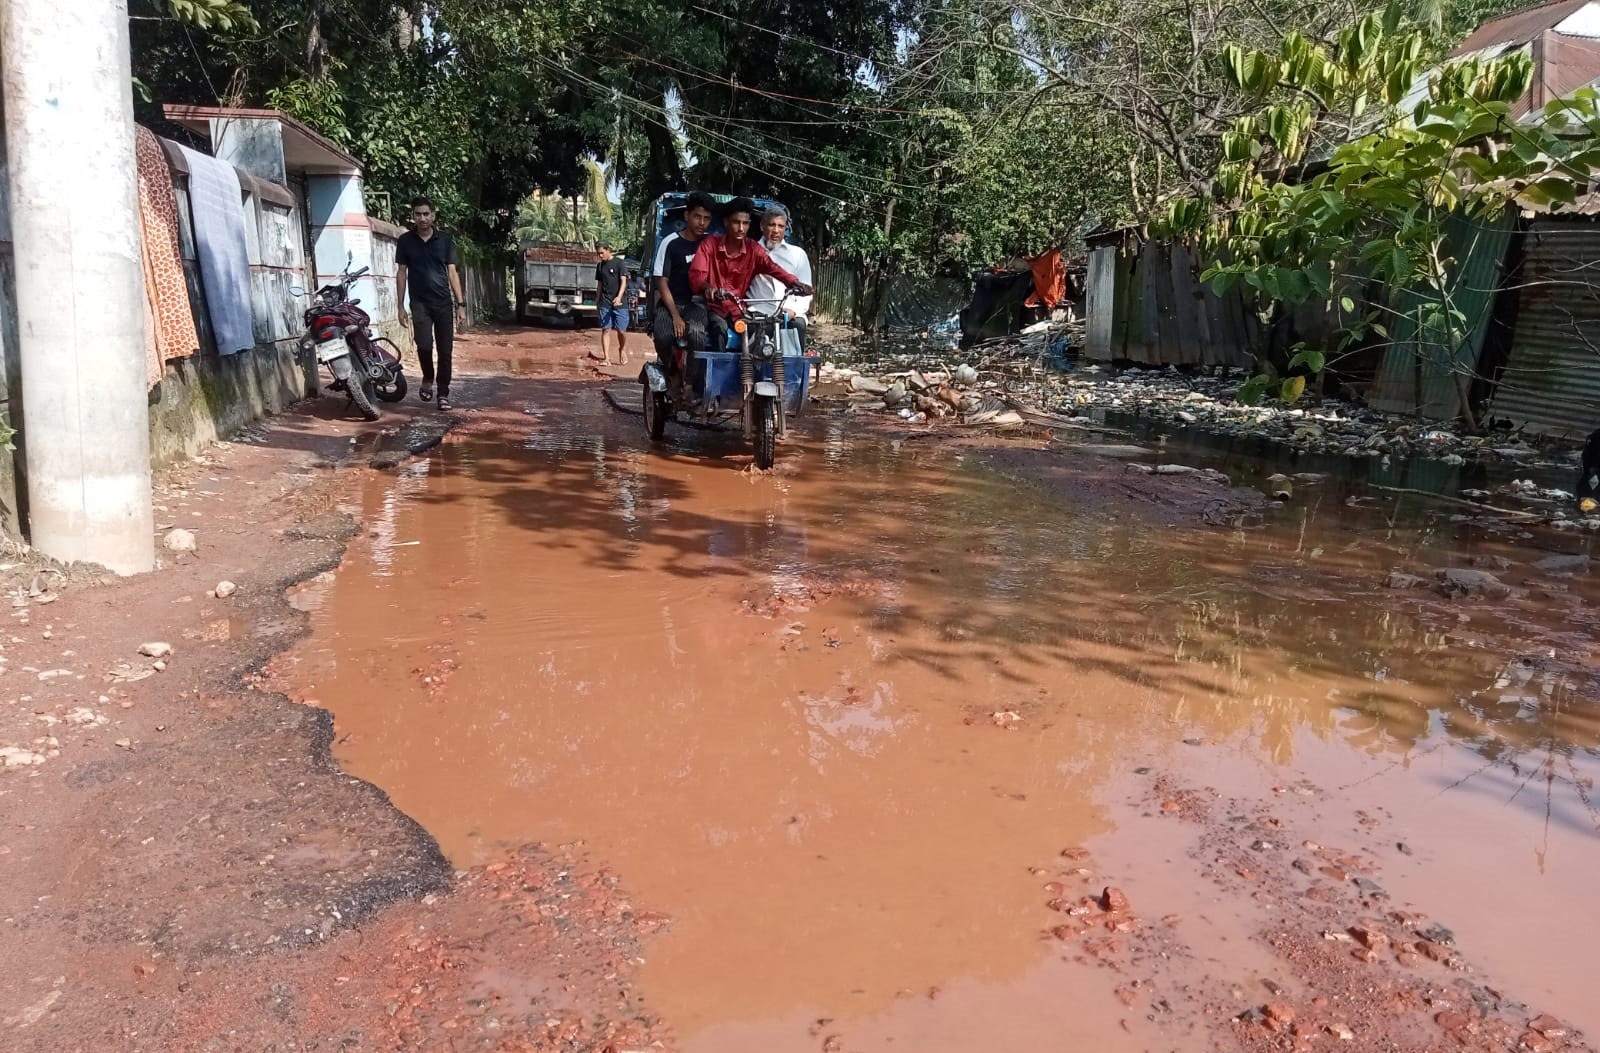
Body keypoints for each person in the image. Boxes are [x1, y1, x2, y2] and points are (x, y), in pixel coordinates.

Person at [688, 197, 812, 353]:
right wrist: (709, 288)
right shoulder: (710, 244)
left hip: (738, 310)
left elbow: (773, 268)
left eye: (745, 223)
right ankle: (713, 375)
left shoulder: (754, 249)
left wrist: (795, 283)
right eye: (736, 222)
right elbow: (696, 276)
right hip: (713, 308)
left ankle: (753, 373)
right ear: (726, 222)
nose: (741, 228)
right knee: (717, 331)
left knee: (759, 336)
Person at [396, 197, 466, 411]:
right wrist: (400, 306)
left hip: (443, 303)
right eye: (418, 214)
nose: (422, 218)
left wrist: (460, 304)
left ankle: (443, 393)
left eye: (426, 214)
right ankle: (428, 376)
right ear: (413, 216)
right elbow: (401, 273)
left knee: (445, 351)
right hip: (419, 304)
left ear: (433, 216)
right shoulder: (405, 241)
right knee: (424, 345)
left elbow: (452, 273)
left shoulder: (444, 240)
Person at [651, 192, 715, 376]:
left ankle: (691, 382)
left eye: (706, 219)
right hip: (671, 303)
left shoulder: (710, 243)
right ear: (687, 216)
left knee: (696, 334)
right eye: (697, 217)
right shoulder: (670, 243)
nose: (701, 223)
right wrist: (676, 316)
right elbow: (662, 281)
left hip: (698, 305)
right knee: (663, 337)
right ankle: (671, 372)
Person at [748, 204, 813, 351]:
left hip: (789, 313)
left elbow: (806, 290)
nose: (776, 230)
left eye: (780, 226)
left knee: (798, 326)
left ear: (785, 229)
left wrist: (793, 311)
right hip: (759, 311)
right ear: (762, 226)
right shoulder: (750, 251)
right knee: (756, 348)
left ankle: (794, 372)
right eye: (771, 225)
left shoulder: (797, 254)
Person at [595, 243, 630, 366]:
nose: (600, 256)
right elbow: (599, 285)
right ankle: (607, 358)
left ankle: (622, 349)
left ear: (608, 250)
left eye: (602, 253)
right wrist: (597, 301)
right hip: (605, 301)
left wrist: (619, 297)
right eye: (598, 253)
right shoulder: (599, 266)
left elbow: (624, 282)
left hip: (620, 302)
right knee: (606, 329)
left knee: (621, 331)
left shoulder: (619, 263)